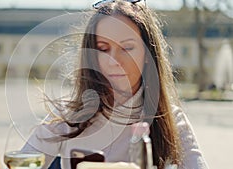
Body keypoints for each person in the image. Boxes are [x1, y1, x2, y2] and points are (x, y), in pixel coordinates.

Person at [21, 0, 208, 169]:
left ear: (148, 55)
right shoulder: (66, 116)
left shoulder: (172, 120)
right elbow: (22, 163)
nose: (114, 61)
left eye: (127, 48)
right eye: (103, 48)